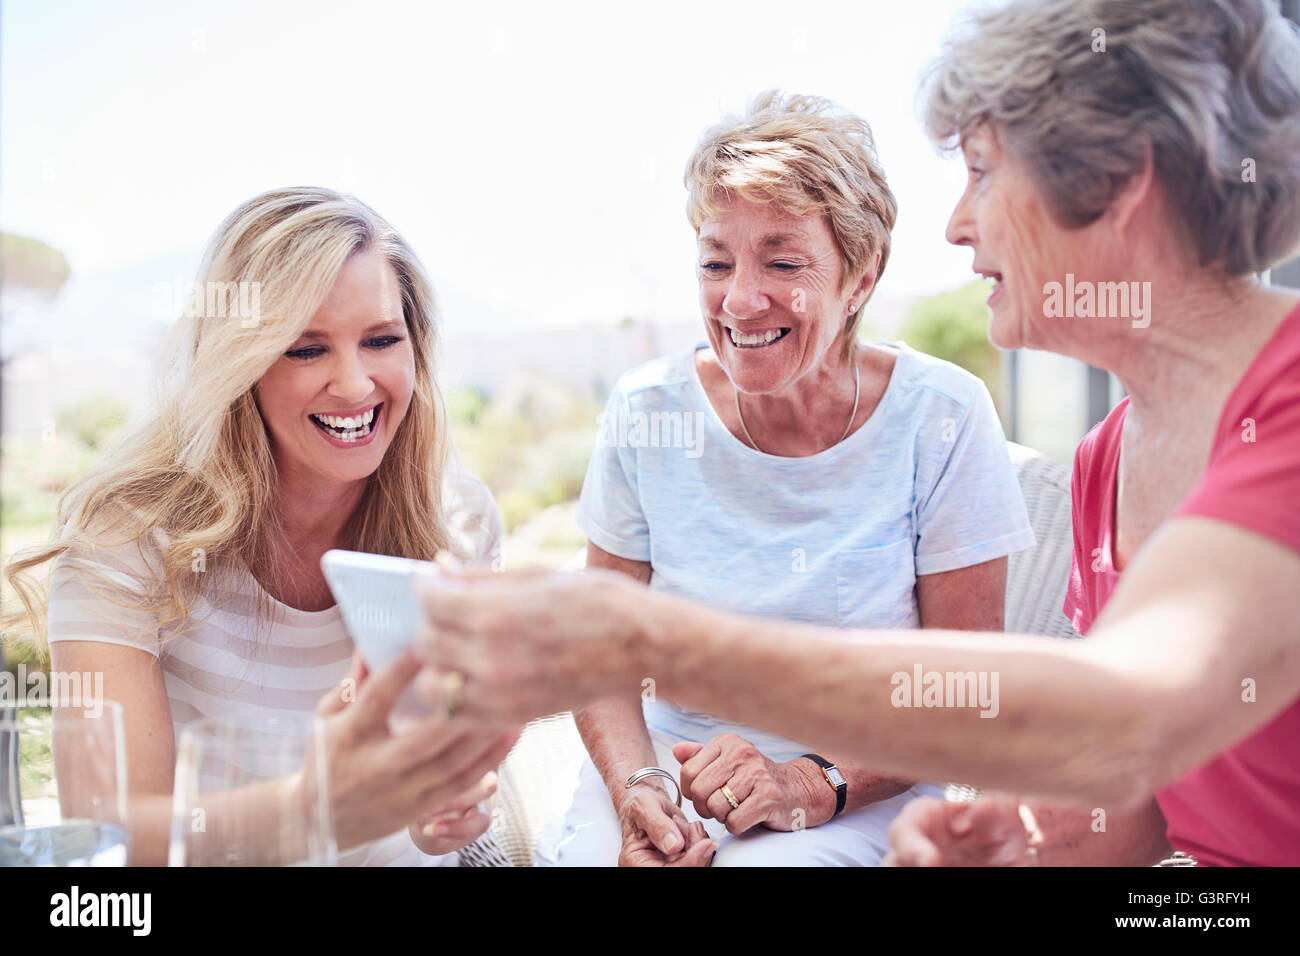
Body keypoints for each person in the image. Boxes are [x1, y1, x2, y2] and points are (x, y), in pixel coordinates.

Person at [417, 0, 1300, 867]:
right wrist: (1018, 843)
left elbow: (1131, 699)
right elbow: (1146, 788)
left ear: (1119, 178)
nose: (957, 223)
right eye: (718, 260)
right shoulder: (1112, 457)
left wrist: (646, 643)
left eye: (984, 172)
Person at [534, 90, 1034, 867]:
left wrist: (810, 782)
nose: (739, 300)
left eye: (783, 262)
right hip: (667, 770)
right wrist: (639, 786)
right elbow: (600, 656)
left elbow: (965, 688)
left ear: (860, 280)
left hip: (858, 787)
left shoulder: (941, 413)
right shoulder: (646, 410)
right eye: (716, 262)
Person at [4, 187, 517, 866]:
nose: (357, 385)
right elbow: (110, 832)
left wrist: (446, 807)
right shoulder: (124, 535)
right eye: (306, 350)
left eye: (381, 340)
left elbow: (447, 769)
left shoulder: (459, 520)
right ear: (239, 365)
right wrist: (318, 807)